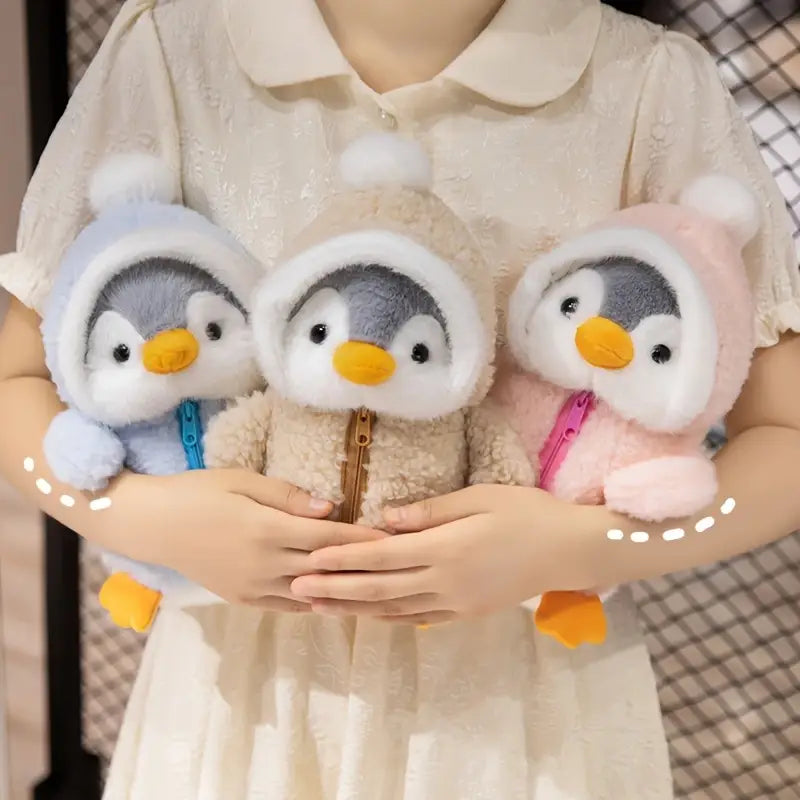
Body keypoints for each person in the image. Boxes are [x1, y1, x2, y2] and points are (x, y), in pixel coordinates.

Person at [1, 0, 799, 797]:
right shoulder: (169, 51)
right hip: (235, 695)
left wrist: (583, 546)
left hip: (522, 707)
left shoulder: (651, 85)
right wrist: (145, 519)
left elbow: (787, 440)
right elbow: (17, 382)